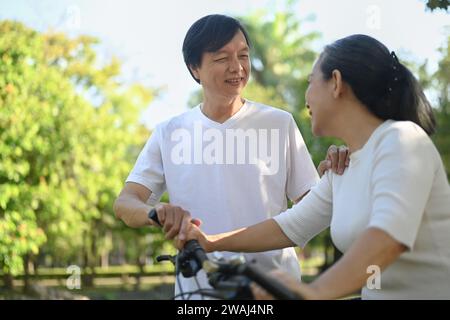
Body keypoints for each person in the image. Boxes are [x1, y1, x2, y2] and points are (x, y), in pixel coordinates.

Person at [179, 34, 450, 299]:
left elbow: (388, 237)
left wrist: (315, 291)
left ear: (335, 82)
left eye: (310, 82)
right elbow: (288, 227)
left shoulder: (401, 139)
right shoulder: (342, 168)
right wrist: (210, 240)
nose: (306, 97)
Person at [113, 14, 347, 299]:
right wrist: (157, 213)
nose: (236, 67)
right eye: (222, 58)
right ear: (194, 68)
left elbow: (310, 208)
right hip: (198, 293)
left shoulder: (278, 123)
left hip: (273, 289)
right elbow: (125, 204)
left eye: (243, 55)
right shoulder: (169, 132)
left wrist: (332, 180)